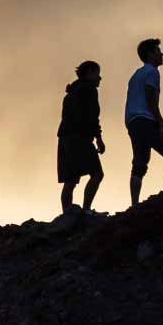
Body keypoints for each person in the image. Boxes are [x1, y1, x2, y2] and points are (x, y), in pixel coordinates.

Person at [124, 38, 163, 206]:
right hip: (146, 120)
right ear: (150, 54)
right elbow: (151, 100)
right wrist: (162, 124)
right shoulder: (152, 72)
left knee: (139, 162)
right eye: (158, 51)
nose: (162, 54)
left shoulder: (135, 75)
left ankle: (134, 203)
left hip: (133, 121)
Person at [57, 60, 105, 215]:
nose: (100, 78)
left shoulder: (71, 93)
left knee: (70, 180)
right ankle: (86, 211)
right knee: (97, 174)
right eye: (97, 73)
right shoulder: (89, 89)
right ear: (90, 72)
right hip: (80, 137)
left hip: (64, 138)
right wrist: (99, 138)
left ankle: (67, 215)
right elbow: (92, 116)